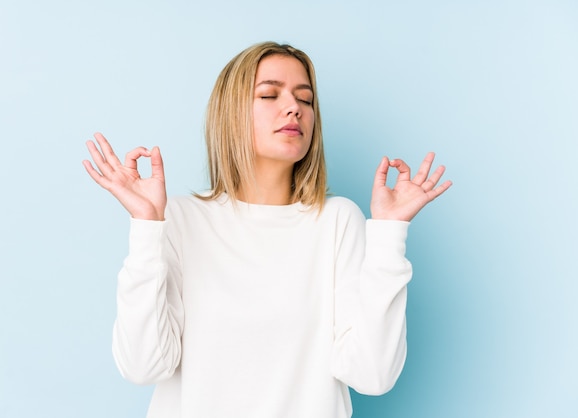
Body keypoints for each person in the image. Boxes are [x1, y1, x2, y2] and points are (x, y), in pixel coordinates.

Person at [83, 41, 451, 418]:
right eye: (270, 94)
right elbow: (143, 366)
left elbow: (373, 376)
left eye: (305, 99)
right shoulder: (179, 219)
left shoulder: (338, 221)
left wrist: (389, 235)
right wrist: (147, 226)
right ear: (231, 113)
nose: (294, 107)